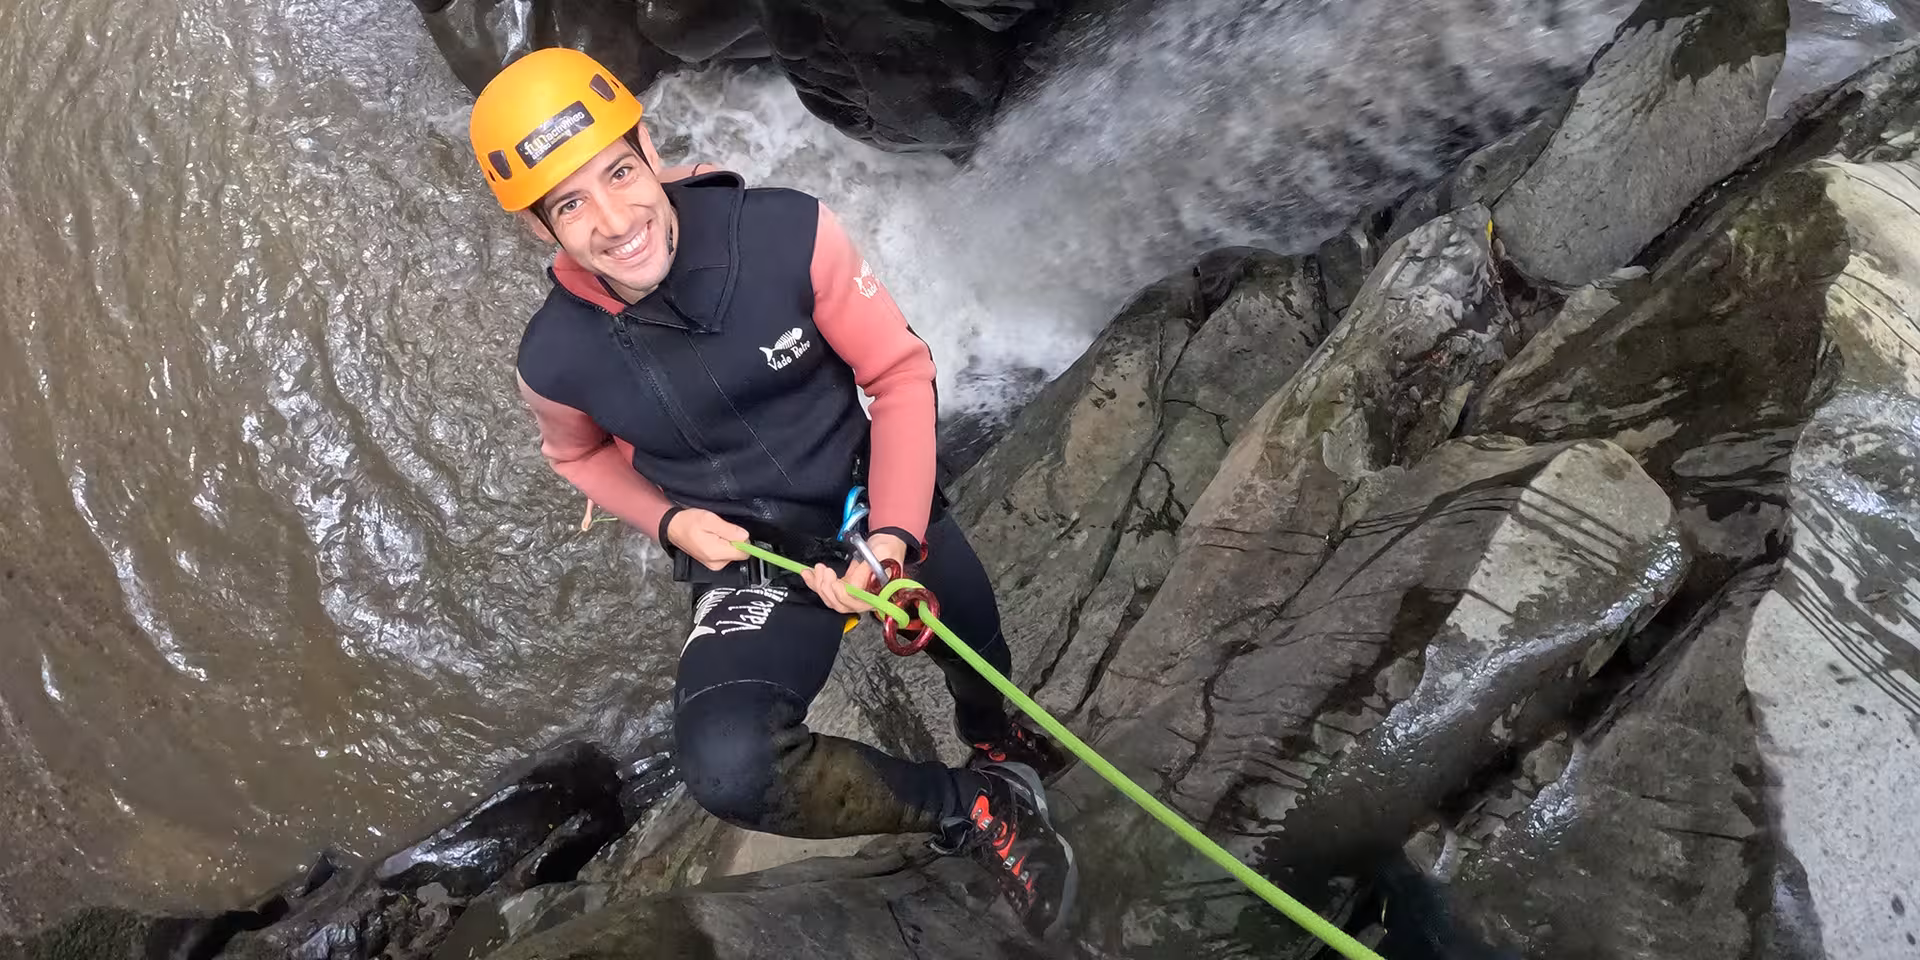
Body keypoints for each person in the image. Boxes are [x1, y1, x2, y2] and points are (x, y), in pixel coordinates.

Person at [466, 47, 1079, 938]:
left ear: (646, 145)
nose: (615, 219)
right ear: (539, 228)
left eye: (619, 173)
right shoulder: (555, 360)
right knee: (729, 766)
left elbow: (901, 376)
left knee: (976, 638)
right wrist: (673, 521)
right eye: (569, 203)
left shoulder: (789, 234)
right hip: (747, 558)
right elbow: (577, 459)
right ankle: (974, 808)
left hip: (869, 500)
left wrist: (892, 539)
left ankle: (999, 737)